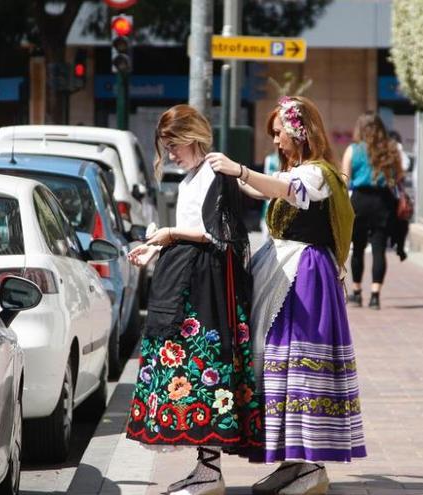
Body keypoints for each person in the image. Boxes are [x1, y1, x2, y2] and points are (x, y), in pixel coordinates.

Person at [208, 95, 366, 495]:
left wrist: (239, 168)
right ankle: (295, 461)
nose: (276, 141)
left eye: (279, 133)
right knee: (280, 365)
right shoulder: (296, 171)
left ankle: (309, 465)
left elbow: (286, 189)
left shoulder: (318, 175)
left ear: (300, 131)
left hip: (305, 279)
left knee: (296, 363)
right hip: (284, 274)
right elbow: (265, 189)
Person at [125, 104, 262, 495]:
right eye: (166, 146)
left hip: (204, 290)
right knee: (196, 372)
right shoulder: (189, 178)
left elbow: (219, 235)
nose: (170, 153)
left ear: (194, 136)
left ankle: (209, 472)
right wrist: (155, 248)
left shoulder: (216, 173)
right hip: (187, 282)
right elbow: (195, 231)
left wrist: (169, 234)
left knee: (204, 371)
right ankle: (207, 471)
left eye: (174, 145)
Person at [341, 111, 402, 309]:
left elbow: (344, 179)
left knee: (357, 249)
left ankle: (357, 292)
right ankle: (375, 295)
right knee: (379, 249)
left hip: (359, 200)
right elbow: (399, 176)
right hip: (383, 201)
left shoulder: (353, 150)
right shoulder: (391, 149)